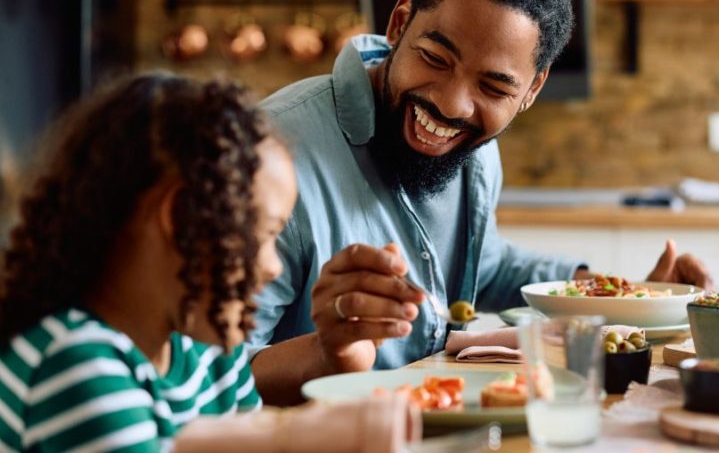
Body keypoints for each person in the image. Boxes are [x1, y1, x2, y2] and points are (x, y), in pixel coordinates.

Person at [250, 0, 710, 405]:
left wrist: (622, 296)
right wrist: (330, 351)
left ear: (531, 90)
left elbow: (483, 266)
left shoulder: (476, 154)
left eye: (492, 86)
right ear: (400, 23)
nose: (451, 104)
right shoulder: (270, 158)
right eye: (435, 58)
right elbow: (204, 374)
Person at [0, 74, 418, 452]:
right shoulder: (77, 363)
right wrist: (295, 437)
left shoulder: (208, 353)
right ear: (179, 216)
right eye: (265, 234)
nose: (273, 267)